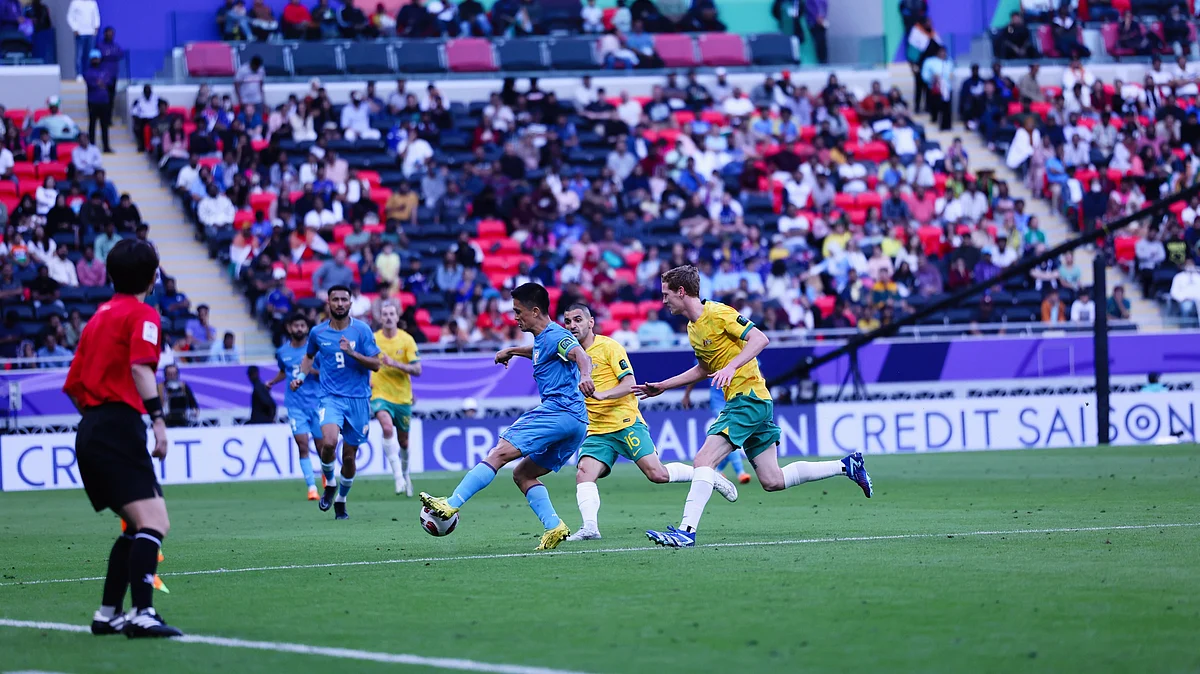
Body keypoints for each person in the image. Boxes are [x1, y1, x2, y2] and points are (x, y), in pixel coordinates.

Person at [632, 265, 873, 548]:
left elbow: (760, 338)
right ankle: (847, 466)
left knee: (703, 461)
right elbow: (703, 368)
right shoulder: (693, 327)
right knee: (773, 480)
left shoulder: (719, 313)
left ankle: (686, 531)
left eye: (666, 294)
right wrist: (663, 385)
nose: (663, 301)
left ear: (682, 292)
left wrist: (733, 367)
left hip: (748, 399)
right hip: (753, 401)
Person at [61, 238, 183, 637]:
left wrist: (100, 421)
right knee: (155, 521)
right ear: (153, 275)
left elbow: (75, 385)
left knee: (135, 525)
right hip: (118, 425)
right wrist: (159, 423)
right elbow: (141, 370)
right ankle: (141, 614)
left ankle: (109, 613)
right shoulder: (143, 315)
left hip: (92, 427)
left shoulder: (97, 317)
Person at [420, 283, 594, 551]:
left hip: (558, 411)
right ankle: (554, 526)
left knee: (498, 453)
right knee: (523, 474)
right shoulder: (543, 340)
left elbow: (579, 354)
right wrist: (512, 350)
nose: (515, 317)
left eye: (518, 311)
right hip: (577, 423)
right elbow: (539, 352)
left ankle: (451, 503)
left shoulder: (555, 335)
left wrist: (585, 376)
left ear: (535, 311)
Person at [561, 304, 737, 542]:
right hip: (598, 430)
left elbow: (629, 384)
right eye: (568, 322)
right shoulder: (569, 354)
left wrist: (603, 394)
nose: (573, 326)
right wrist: (514, 351)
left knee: (658, 474)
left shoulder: (609, 347)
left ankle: (709, 475)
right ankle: (590, 527)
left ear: (591, 322)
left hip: (625, 422)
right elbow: (540, 349)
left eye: (578, 320)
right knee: (584, 473)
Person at [295, 285, 381, 520]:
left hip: (358, 400)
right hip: (330, 398)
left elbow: (376, 364)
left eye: (344, 299)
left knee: (350, 457)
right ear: (329, 303)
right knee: (329, 443)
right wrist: (301, 377)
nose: (340, 303)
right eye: (336, 299)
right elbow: (309, 357)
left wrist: (353, 353)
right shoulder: (317, 333)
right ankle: (330, 484)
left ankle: (341, 499)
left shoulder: (362, 331)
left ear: (350, 303)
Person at [267, 313, 324, 501]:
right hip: (295, 406)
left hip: (316, 403)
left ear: (306, 329)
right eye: (296, 325)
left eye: (302, 325)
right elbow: (285, 371)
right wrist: (273, 381)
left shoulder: (315, 351)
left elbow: (325, 373)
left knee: (323, 446)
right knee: (302, 445)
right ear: (290, 328)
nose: (299, 328)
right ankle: (311, 488)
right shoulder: (282, 352)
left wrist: (308, 369)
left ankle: (327, 475)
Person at [371, 303, 422, 496]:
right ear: (380, 317)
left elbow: (417, 369)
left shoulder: (406, 339)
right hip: (380, 393)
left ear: (397, 315)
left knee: (404, 442)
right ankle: (398, 477)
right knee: (385, 427)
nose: (389, 317)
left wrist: (395, 364)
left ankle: (406, 473)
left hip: (402, 397)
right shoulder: (373, 339)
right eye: (385, 314)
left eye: (392, 313)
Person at [67, 0, 101, 80]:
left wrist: (96, 27)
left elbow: (96, 15)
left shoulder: (92, 3)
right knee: (79, 54)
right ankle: (79, 74)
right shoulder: (75, 3)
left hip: (91, 33)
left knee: (90, 55)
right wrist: (75, 29)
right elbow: (69, 17)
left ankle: (88, 73)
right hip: (80, 33)